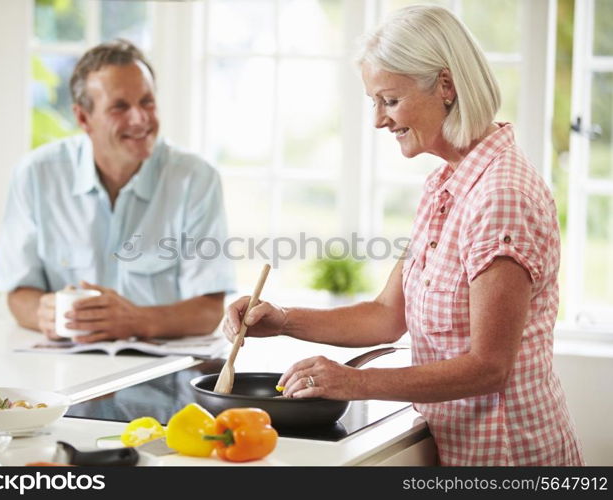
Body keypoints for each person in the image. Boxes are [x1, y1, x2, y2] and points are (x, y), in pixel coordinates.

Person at [223, 5, 583, 466]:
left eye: (389, 100)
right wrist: (283, 319)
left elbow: (489, 367)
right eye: (373, 102)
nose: (377, 120)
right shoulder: (443, 186)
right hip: (458, 448)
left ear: (446, 87)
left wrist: (356, 383)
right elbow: (387, 315)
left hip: (511, 457)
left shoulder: (501, 195)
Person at [0, 39, 235, 343]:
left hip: (160, 380)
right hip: (64, 369)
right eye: (120, 106)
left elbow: (209, 309)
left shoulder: (196, 179)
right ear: (83, 118)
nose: (140, 118)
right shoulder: (36, 174)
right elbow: (18, 293)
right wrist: (44, 312)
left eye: (147, 101)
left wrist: (136, 321)